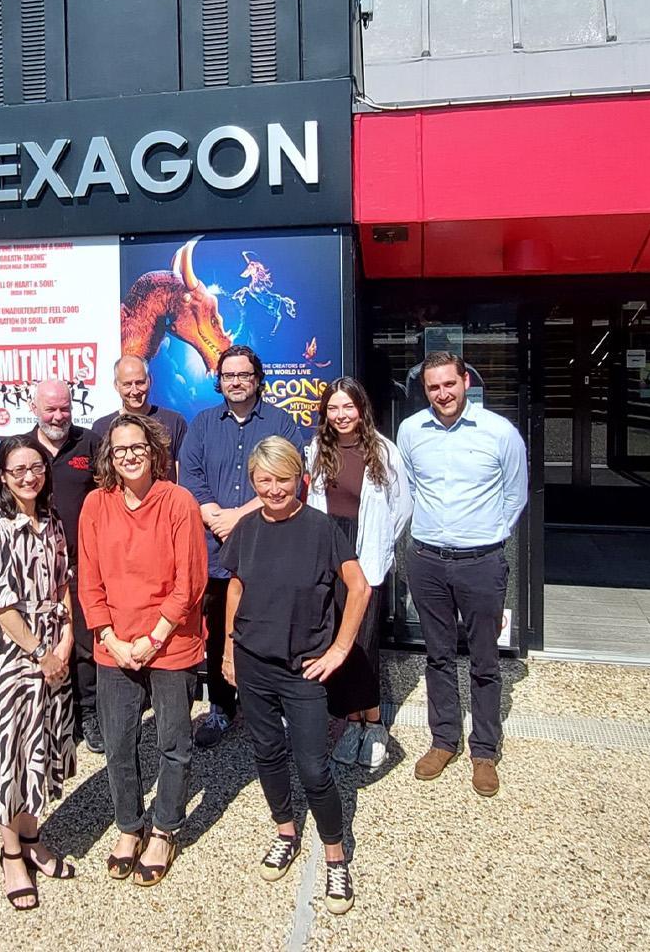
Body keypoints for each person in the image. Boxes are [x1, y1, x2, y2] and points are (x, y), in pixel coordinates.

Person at [220, 437, 369, 916]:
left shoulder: (322, 529)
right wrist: (227, 649)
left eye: (283, 478)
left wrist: (341, 649)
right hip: (253, 663)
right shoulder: (246, 529)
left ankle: (335, 854)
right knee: (266, 753)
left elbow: (359, 587)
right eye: (264, 480)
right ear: (254, 482)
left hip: (303, 668)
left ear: (299, 478)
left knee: (313, 768)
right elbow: (236, 587)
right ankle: (285, 830)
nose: (274, 488)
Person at [78, 413, 207, 887]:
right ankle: (129, 826)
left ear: (154, 451)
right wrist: (111, 639)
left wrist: (153, 638)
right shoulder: (96, 505)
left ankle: (165, 828)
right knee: (118, 742)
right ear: (109, 457)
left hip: (170, 644)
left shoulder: (178, 502)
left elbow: (188, 582)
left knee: (174, 741)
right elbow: (88, 580)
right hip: (115, 646)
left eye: (138, 447)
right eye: (119, 449)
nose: (129, 455)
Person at [396, 351, 528, 798]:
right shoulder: (411, 432)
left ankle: (485, 751)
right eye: (433, 387)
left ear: (465, 381)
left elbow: (515, 495)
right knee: (437, 655)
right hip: (428, 560)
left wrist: (483, 535)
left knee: (485, 661)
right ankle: (443, 740)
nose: (442, 394)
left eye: (449, 384)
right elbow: (410, 487)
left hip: (480, 562)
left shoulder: (499, 432)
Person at [180, 345, 306, 748]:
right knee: (219, 631)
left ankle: (270, 710)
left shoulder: (281, 422)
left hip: (267, 546)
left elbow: (292, 474)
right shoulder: (201, 424)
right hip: (215, 550)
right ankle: (220, 708)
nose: (236, 382)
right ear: (219, 381)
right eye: (228, 375)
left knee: (271, 629)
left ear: (257, 379)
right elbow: (191, 474)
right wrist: (213, 512)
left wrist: (238, 516)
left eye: (244, 375)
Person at [0, 435, 79, 910]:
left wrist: (69, 637)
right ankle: (10, 851)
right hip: (17, 658)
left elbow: (63, 581)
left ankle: (33, 836)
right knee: (11, 748)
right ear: (3, 477)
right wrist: (42, 652)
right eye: (18, 470)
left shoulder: (53, 522)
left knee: (46, 740)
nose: (29, 477)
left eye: (35, 467)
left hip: (56, 647)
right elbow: (0, 605)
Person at [305, 377, 409, 770]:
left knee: (363, 642)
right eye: (333, 408)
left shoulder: (383, 451)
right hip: (330, 550)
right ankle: (351, 722)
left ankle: (375, 722)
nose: (341, 415)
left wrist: (380, 546)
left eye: (348, 407)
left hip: (365, 553)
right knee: (336, 637)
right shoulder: (319, 449)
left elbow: (402, 507)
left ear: (361, 409)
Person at [28, 379, 103, 753]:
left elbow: (109, 496)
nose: (58, 416)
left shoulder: (89, 443)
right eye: (50, 409)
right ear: (34, 408)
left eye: (64, 408)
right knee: (50, 642)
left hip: (84, 563)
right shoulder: (20, 449)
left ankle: (90, 714)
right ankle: (60, 716)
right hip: (37, 569)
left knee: (86, 644)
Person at [91, 354, 189, 478]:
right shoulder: (101, 427)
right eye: (127, 384)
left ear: (150, 380)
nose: (135, 391)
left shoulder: (175, 422)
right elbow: (100, 476)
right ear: (116, 386)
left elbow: (184, 473)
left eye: (140, 382)